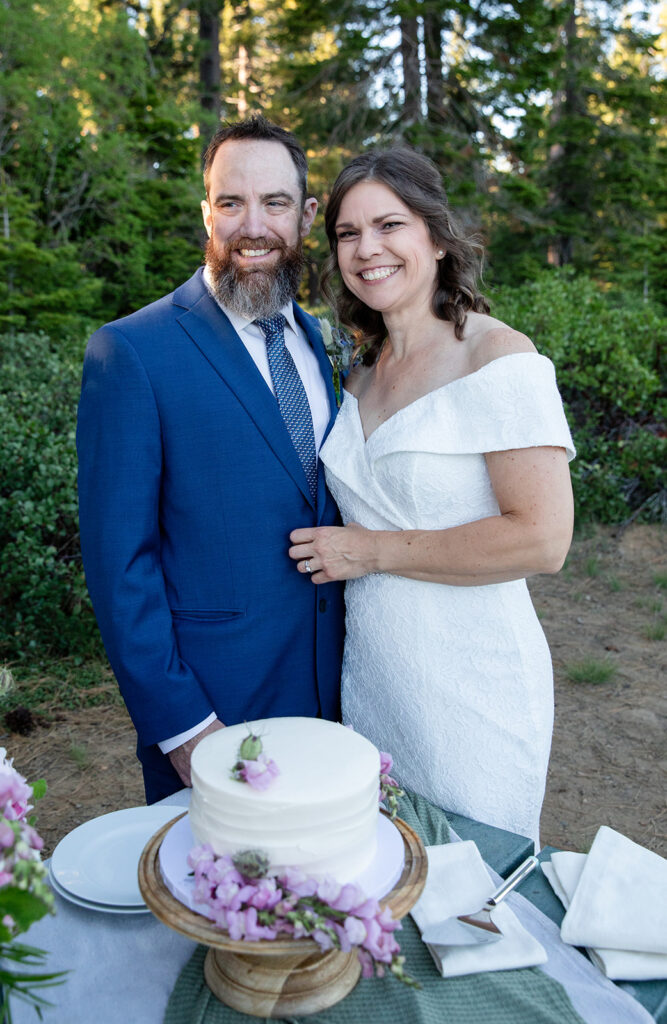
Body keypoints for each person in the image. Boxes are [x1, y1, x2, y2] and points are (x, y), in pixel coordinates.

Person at [288, 148, 575, 846]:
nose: (367, 249)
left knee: (472, 897)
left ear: (437, 238)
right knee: (382, 881)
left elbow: (543, 538)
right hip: (376, 679)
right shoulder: (357, 374)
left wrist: (370, 551)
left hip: (472, 684)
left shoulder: (496, 358)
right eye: (347, 233)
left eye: (389, 225)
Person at [77, 116, 344, 803]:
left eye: (274, 203)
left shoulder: (321, 343)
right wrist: (184, 728)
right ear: (206, 212)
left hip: (336, 700)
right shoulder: (132, 351)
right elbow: (119, 565)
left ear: (306, 215)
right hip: (213, 710)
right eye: (231, 202)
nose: (251, 225)